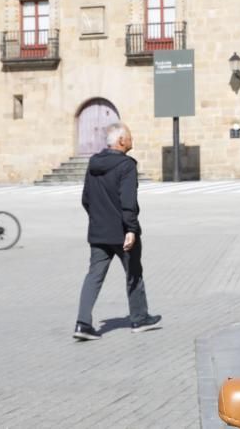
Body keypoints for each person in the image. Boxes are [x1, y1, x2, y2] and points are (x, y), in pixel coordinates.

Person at [73, 121, 161, 341]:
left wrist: (98, 219)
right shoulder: (127, 165)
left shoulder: (93, 164)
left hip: (98, 232)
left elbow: (86, 199)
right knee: (134, 274)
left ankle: (83, 324)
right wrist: (130, 228)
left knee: (94, 276)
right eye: (130, 137)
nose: (132, 140)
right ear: (121, 141)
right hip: (122, 232)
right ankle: (139, 319)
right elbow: (128, 200)